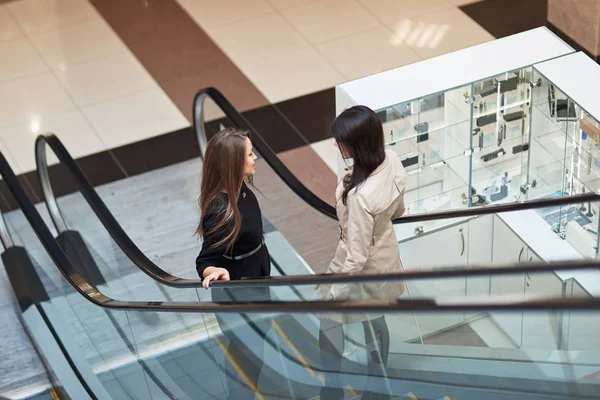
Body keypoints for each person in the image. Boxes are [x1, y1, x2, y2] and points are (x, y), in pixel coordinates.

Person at [318, 105, 407, 400]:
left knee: (328, 318)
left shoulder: (359, 196)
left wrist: (332, 294)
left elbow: (355, 258)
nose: (335, 144)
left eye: (340, 140)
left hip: (361, 264)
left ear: (357, 144)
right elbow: (400, 209)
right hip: (387, 257)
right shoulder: (391, 159)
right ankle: (377, 386)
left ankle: (332, 388)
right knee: (375, 318)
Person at [195, 128, 271, 400]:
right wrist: (213, 271)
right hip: (239, 296)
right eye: (249, 154)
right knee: (245, 361)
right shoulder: (220, 209)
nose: (255, 158)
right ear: (233, 163)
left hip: (258, 284)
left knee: (254, 357)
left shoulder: (243, 190)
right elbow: (205, 259)